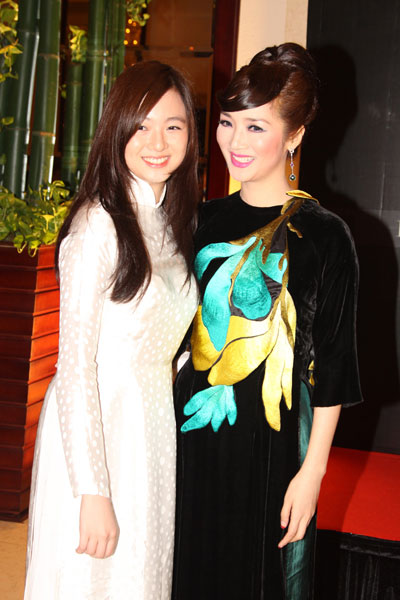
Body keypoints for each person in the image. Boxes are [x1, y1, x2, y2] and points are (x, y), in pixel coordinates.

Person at [172, 43, 362, 600]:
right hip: (190, 436)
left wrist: (312, 474)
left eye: (256, 127)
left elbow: (333, 368)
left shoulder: (326, 236)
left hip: (275, 447)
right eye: (228, 123)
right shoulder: (198, 221)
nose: (235, 141)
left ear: (295, 135)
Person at [24, 60, 199, 600]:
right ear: (116, 128)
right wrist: (92, 491)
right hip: (96, 433)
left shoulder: (169, 220)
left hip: (150, 432)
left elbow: (165, 339)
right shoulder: (96, 225)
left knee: (140, 579)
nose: (157, 142)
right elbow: (76, 365)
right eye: (141, 125)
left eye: (173, 125)